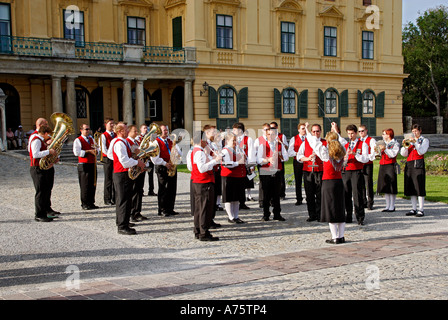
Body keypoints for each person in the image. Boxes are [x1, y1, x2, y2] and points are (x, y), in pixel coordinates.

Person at [305, 122, 347, 244]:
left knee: (331, 209)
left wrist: (308, 131)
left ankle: (335, 237)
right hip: (339, 182)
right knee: (340, 208)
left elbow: (314, 142)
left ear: (328, 142)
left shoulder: (325, 153)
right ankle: (341, 236)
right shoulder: (342, 152)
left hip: (328, 183)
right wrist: (336, 131)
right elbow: (343, 142)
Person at [107, 123, 145, 235]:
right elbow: (124, 161)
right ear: (120, 131)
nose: (128, 131)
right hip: (121, 174)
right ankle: (122, 226)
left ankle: (123, 221)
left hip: (124, 174)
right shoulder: (119, 143)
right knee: (123, 200)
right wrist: (137, 162)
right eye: (125, 129)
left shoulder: (123, 142)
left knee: (125, 199)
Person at [190, 131, 222, 241]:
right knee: (205, 208)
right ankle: (204, 232)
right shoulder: (199, 152)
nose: (207, 142)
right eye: (206, 140)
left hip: (198, 182)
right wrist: (214, 161)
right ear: (201, 140)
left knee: (199, 208)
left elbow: (191, 167)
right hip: (203, 182)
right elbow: (202, 168)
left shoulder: (195, 151)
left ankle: (198, 230)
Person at [257, 126, 288, 222]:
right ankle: (266, 214)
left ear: (276, 135)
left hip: (277, 171)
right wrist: (267, 160)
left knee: (276, 194)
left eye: (273, 134)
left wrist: (280, 156)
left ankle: (277, 214)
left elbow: (286, 158)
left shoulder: (280, 145)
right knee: (266, 194)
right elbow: (259, 160)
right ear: (266, 135)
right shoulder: (262, 145)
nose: (271, 136)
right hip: (266, 171)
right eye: (269, 134)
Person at [151, 124, 182, 216]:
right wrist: (165, 163)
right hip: (162, 166)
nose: (166, 132)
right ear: (160, 132)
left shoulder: (171, 141)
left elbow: (179, 152)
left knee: (172, 188)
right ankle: (162, 209)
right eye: (164, 130)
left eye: (167, 130)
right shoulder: (156, 142)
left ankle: (170, 208)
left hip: (171, 165)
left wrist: (177, 153)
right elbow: (154, 158)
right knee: (163, 188)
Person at [297, 124, 326, 222]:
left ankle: (320, 214)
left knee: (320, 194)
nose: (315, 133)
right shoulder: (306, 142)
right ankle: (312, 214)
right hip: (308, 171)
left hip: (320, 171)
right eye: (313, 131)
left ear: (320, 131)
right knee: (309, 194)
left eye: (317, 131)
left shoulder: (324, 142)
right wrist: (308, 158)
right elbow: (299, 156)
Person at [29, 125, 58, 222]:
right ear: (45, 133)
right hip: (37, 168)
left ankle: (45, 212)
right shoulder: (37, 140)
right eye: (48, 135)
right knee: (40, 192)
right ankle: (39, 214)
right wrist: (48, 151)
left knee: (45, 190)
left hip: (42, 168)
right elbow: (35, 154)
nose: (49, 137)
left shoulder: (41, 141)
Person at [342, 124, 369, 225]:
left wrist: (354, 154)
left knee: (357, 195)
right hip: (346, 171)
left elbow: (365, 159)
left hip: (357, 171)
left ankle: (360, 217)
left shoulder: (362, 144)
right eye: (348, 134)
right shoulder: (346, 145)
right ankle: (348, 215)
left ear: (356, 133)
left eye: (352, 133)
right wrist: (344, 158)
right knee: (346, 194)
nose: (350, 136)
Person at [401, 124, 429, 217]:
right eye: (413, 131)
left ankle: (421, 209)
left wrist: (416, 142)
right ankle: (414, 208)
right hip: (410, 164)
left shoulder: (424, 140)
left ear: (420, 131)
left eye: (416, 131)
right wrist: (405, 145)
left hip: (418, 164)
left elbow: (421, 151)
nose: (414, 133)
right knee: (411, 187)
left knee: (419, 186)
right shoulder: (410, 141)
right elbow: (403, 154)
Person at [221, 132, 246, 224]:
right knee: (229, 198)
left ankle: (236, 216)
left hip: (238, 176)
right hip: (229, 176)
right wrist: (238, 163)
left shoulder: (237, 149)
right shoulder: (225, 151)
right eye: (233, 140)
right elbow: (226, 164)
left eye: (236, 140)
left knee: (236, 198)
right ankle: (230, 217)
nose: (235, 142)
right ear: (227, 141)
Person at [73, 124, 99, 210]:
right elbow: (76, 152)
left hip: (92, 163)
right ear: (81, 130)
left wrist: (96, 151)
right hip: (83, 164)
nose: (88, 131)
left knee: (92, 183)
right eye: (86, 129)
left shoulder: (91, 139)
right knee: (85, 185)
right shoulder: (78, 140)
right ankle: (84, 203)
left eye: (88, 129)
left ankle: (91, 202)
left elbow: (97, 149)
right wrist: (88, 151)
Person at [127, 125, 149, 222]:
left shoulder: (135, 142)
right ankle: (133, 213)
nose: (136, 133)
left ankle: (137, 211)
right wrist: (136, 154)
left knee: (139, 191)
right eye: (134, 131)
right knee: (134, 191)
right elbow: (129, 156)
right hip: (133, 169)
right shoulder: (128, 142)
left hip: (139, 168)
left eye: (136, 131)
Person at [232, 122, 255, 210]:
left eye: (234, 129)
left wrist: (251, 165)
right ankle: (236, 201)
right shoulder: (233, 139)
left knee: (244, 183)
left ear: (240, 130)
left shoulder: (248, 139)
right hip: (236, 164)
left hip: (245, 164)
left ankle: (242, 202)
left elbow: (251, 152)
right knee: (237, 184)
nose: (233, 131)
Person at [377, 129, 400, 212]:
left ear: (389, 135)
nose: (382, 136)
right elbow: (378, 155)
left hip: (390, 165)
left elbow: (392, 154)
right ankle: (387, 205)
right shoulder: (383, 143)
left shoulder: (395, 143)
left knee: (391, 186)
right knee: (385, 185)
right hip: (383, 165)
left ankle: (392, 205)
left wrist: (385, 149)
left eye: (384, 134)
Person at [288, 123, 307, 206]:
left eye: (305, 128)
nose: (304, 130)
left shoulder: (309, 138)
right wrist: (298, 154)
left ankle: (309, 197)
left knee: (308, 181)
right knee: (298, 180)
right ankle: (299, 198)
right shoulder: (294, 138)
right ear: (299, 130)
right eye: (302, 128)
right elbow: (290, 152)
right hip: (298, 162)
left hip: (307, 161)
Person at [358, 125, 376, 210]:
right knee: (361, 183)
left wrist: (366, 157)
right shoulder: (358, 141)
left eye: (362, 131)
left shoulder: (371, 140)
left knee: (368, 183)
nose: (361, 133)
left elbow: (373, 152)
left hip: (368, 163)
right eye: (359, 131)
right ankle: (363, 201)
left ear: (366, 131)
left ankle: (370, 202)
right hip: (360, 164)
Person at [254, 123, 271, 208]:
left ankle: (270, 200)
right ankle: (262, 200)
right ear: (262, 130)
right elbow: (255, 152)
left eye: (268, 129)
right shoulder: (258, 140)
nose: (267, 131)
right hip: (262, 163)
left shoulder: (272, 139)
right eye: (265, 129)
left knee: (271, 182)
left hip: (271, 163)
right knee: (263, 182)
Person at [137, 124, 157, 197]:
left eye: (146, 128)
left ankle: (151, 190)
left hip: (149, 158)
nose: (146, 129)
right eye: (144, 128)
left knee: (151, 175)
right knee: (141, 175)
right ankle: (140, 190)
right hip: (143, 158)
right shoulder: (138, 138)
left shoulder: (150, 137)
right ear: (141, 129)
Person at [270, 121, 287, 200]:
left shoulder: (282, 136)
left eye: (273, 128)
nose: (272, 129)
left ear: (277, 127)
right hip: (271, 161)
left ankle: (282, 193)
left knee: (281, 177)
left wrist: (280, 142)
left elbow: (286, 147)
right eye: (271, 128)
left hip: (280, 160)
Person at [102, 118, 116, 206]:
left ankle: (114, 197)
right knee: (108, 179)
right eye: (110, 123)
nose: (112, 125)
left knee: (115, 179)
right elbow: (104, 148)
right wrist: (111, 156)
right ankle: (107, 198)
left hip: (115, 158)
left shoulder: (115, 134)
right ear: (105, 125)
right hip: (107, 158)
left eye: (113, 123)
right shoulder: (103, 135)